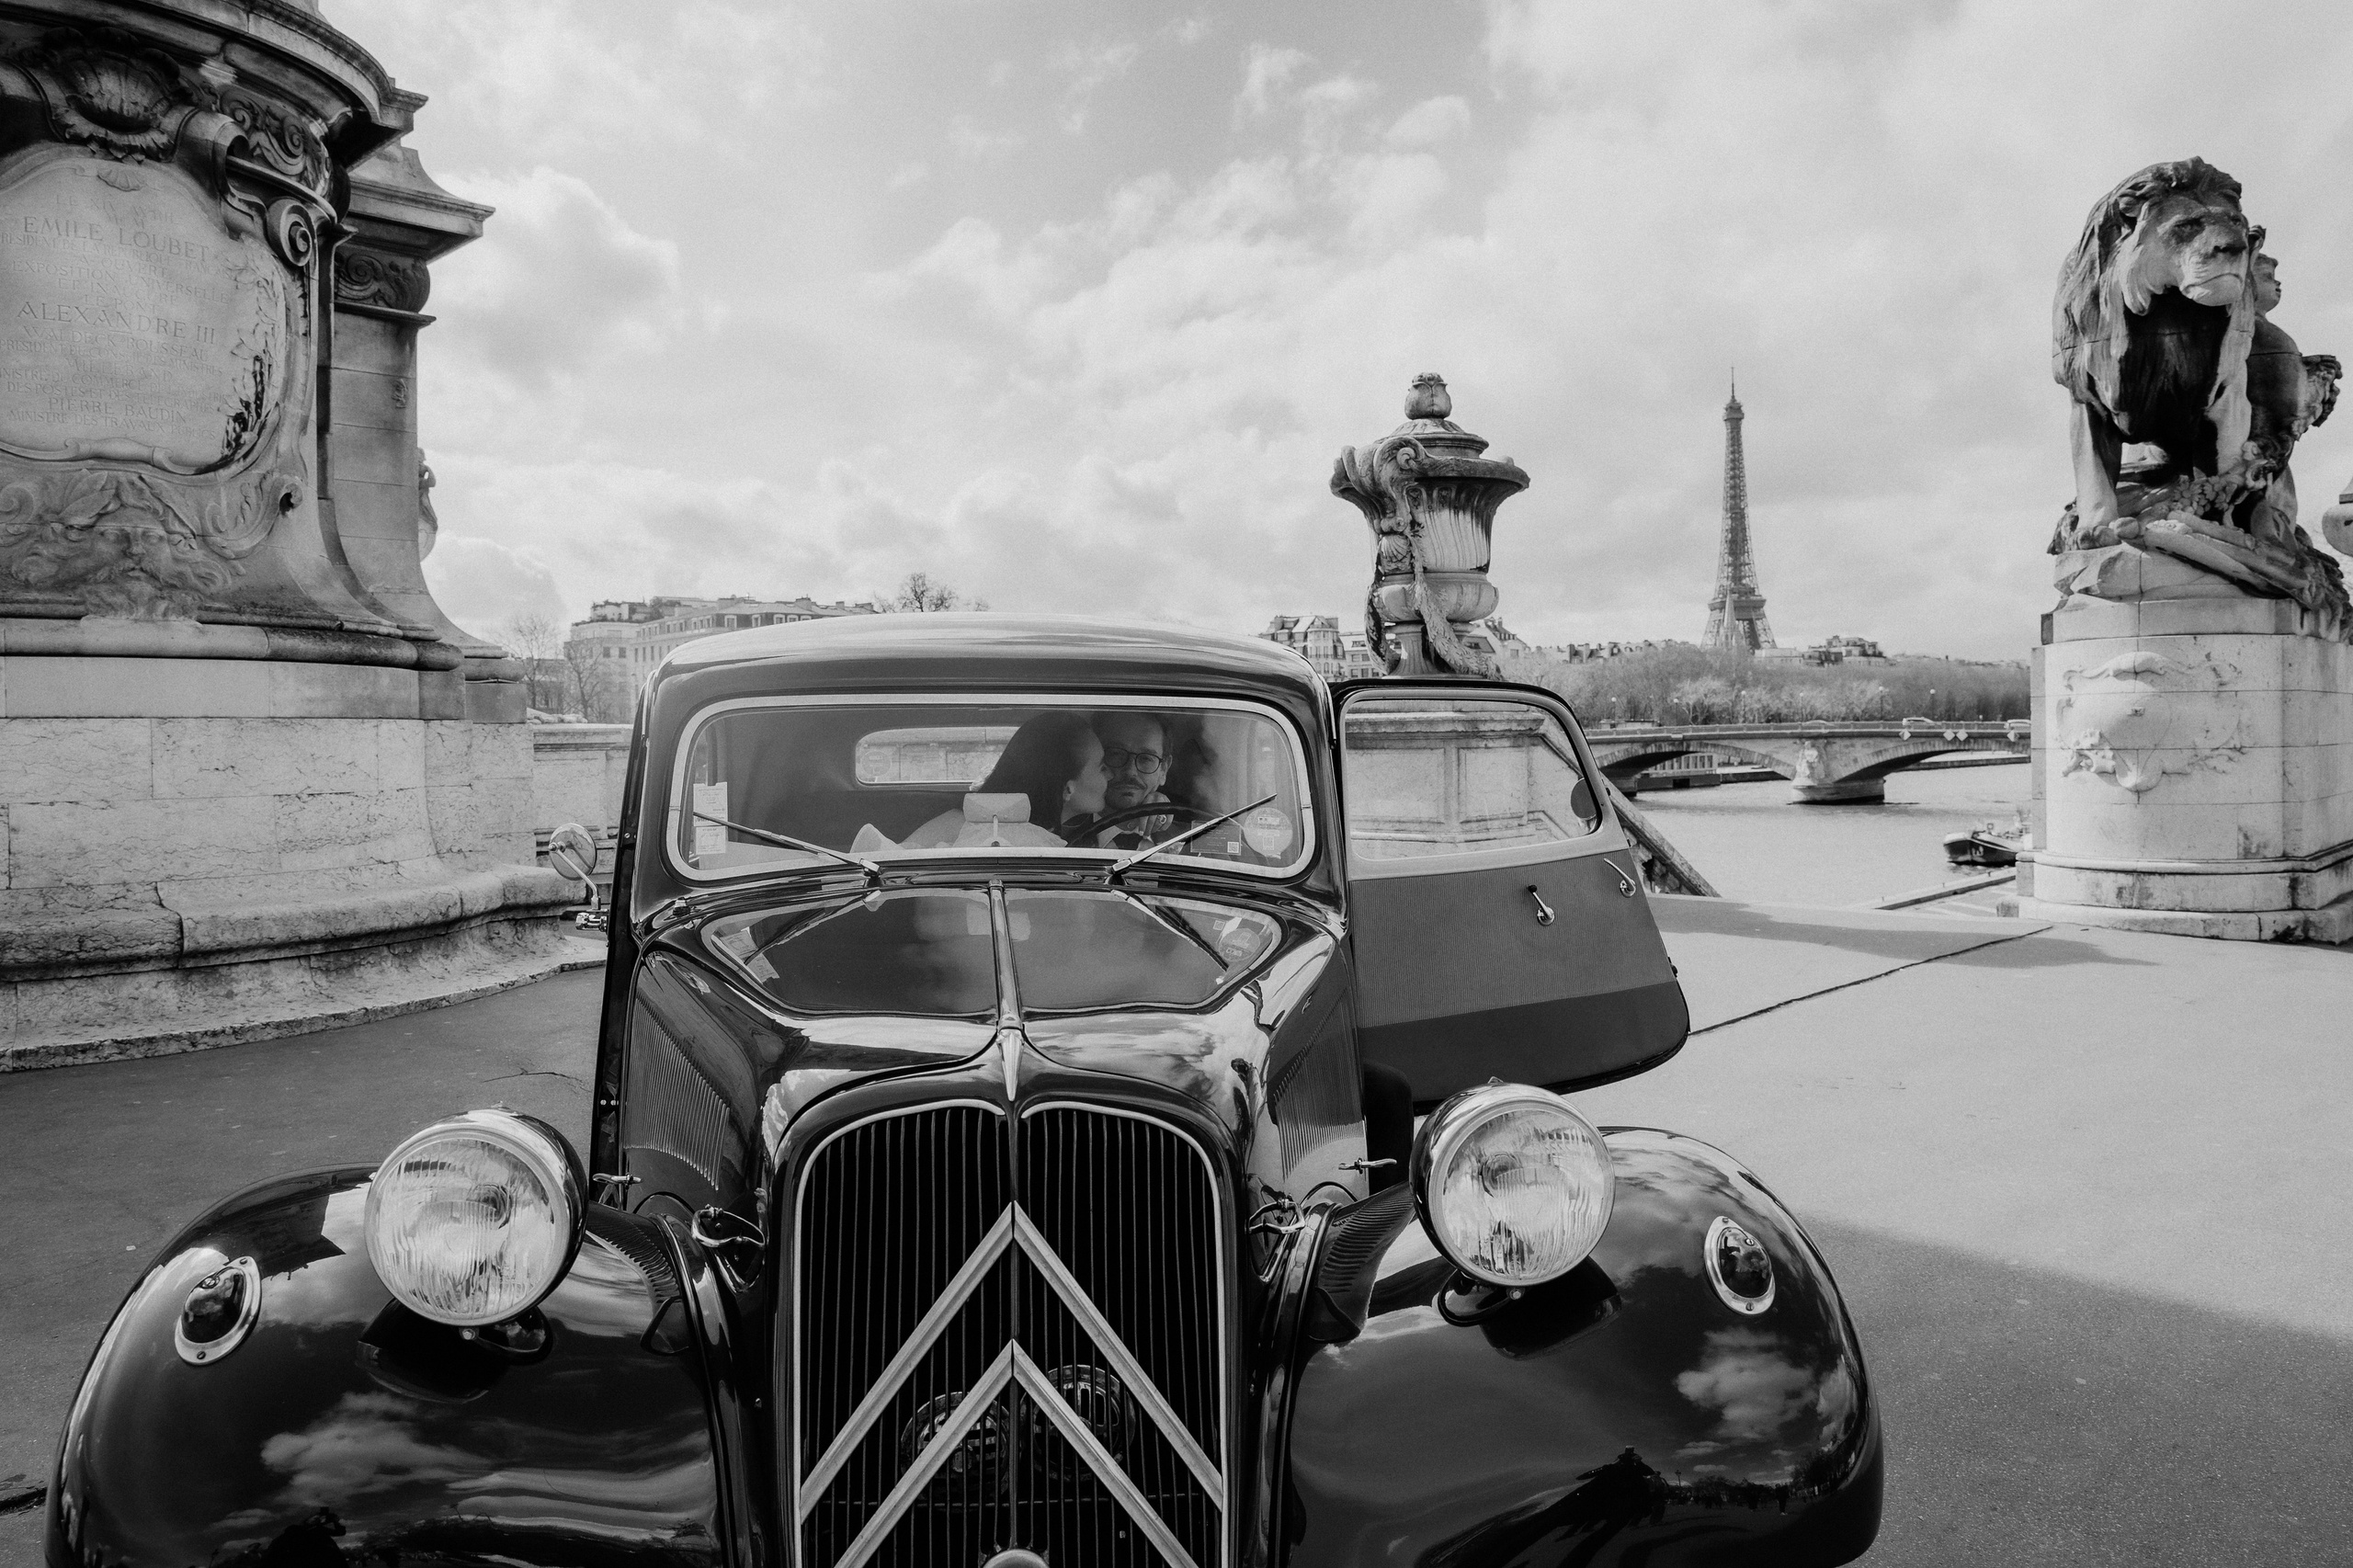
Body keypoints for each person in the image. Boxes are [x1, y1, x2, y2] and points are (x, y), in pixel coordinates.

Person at [902, 711, 1107, 848]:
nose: (1111, 775)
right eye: (1102, 768)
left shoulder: (1062, 838)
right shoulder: (960, 824)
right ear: (1068, 790)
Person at [1086, 711, 1178, 848]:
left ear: (1163, 769)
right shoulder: (1056, 840)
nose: (1130, 771)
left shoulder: (1190, 839)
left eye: (1146, 758)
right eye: (1116, 754)